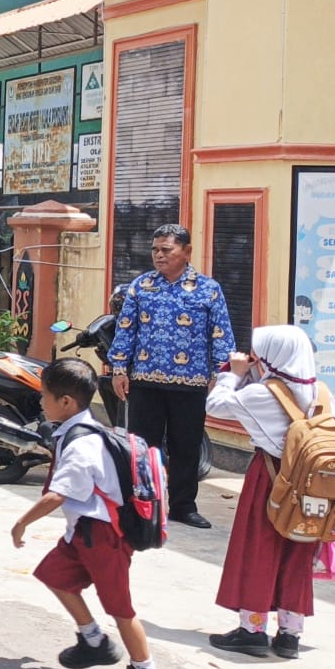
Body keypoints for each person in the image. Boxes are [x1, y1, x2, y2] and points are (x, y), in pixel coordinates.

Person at [11, 358, 169, 669]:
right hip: (83, 532)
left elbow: (58, 494)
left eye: (45, 395)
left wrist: (22, 523)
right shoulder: (80, 430)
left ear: (66, 402)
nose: (41, 401)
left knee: (120, 608)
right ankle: (94, 640)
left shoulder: (83, 444)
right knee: (54, 575)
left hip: (103, 537)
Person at [206, 326, 324, 659]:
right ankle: (289, 635)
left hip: (271, 476)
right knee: (297, 554)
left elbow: (214, 405)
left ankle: (252, 629)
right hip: (310, 485)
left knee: (257, 549)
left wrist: (234, 374)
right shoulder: (319, 391)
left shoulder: (263, 394)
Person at [108, 224, 235, 529]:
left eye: (166, 249)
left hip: (191, 383)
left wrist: (220, 375)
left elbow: (221, 334)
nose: (159, 255)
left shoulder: (208, 289)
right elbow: (125, 330)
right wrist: (118, 369)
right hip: (145, 381)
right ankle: (140, 503)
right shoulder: (140, 286)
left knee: (186, 448)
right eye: (155, 250)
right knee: (142, 447)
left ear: (186, 251)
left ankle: (182, 506)